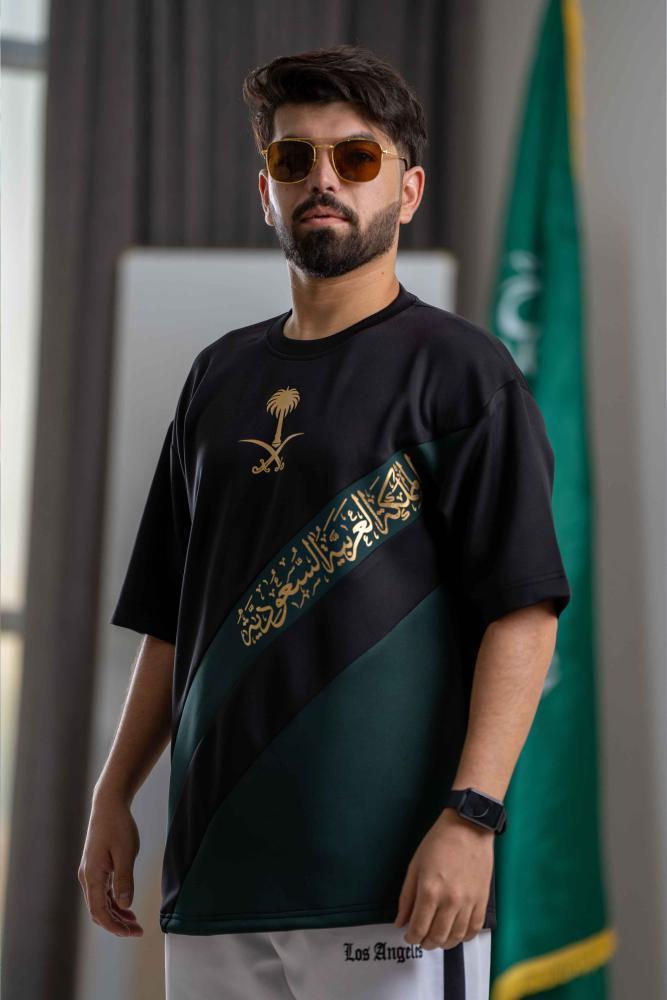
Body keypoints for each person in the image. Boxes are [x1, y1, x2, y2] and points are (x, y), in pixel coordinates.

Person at [78, 43, 571, 1000]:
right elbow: (171, 619)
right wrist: (113, 793)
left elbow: (522, 612)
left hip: (391, 883)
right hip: (215, 878)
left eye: (355, 157)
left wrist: (471, 817)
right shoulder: (217, 376)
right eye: (293, 157)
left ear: (407, 190)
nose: (322, 180)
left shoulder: (461, 372)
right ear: (264, 189)